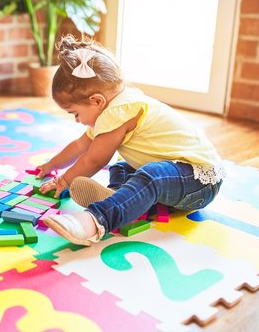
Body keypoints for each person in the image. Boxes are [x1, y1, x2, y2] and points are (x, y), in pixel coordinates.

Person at [37, 35, 225, 246]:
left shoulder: (116, 113)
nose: (77, 120)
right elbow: (80, 145)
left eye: (75, 113)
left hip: (199, 182)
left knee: (151, 176)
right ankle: (120, 198)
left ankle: (96, 221)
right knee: (122, 168)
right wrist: (52, 164)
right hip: (183, 177)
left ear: (97, 101)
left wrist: (63, 180)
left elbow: (93, 160)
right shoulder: (116, 105)